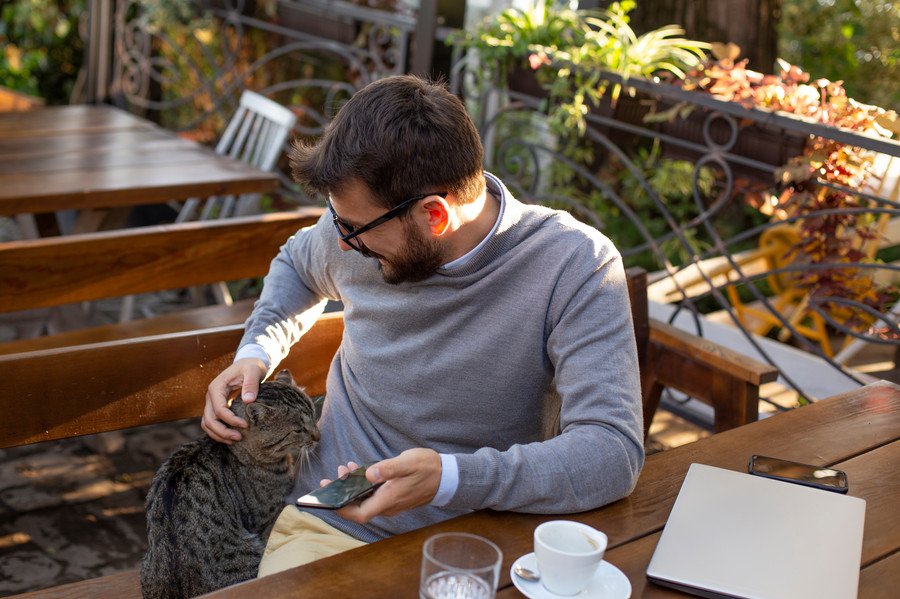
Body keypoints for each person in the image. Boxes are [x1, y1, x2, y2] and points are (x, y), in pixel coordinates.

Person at [202, 74, 644, 575]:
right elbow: (296, 265)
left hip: (490, 542)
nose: (342, 242)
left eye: (354, 229)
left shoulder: (573, 263)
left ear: (434, 216)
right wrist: (256, 351)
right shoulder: (354, 228)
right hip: (336, 528)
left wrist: (451, 478)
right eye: (336, 220)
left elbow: (611, 452)